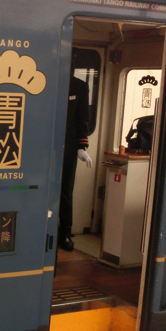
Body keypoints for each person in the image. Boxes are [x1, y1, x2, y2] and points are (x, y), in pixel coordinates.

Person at [59, 66, 92, 251]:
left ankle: (65, 232)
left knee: (65, 190)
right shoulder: (44, 80)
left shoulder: (79, 86)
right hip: (41, 145)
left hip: (69, 145)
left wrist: (81, 147)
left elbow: (82, 118)